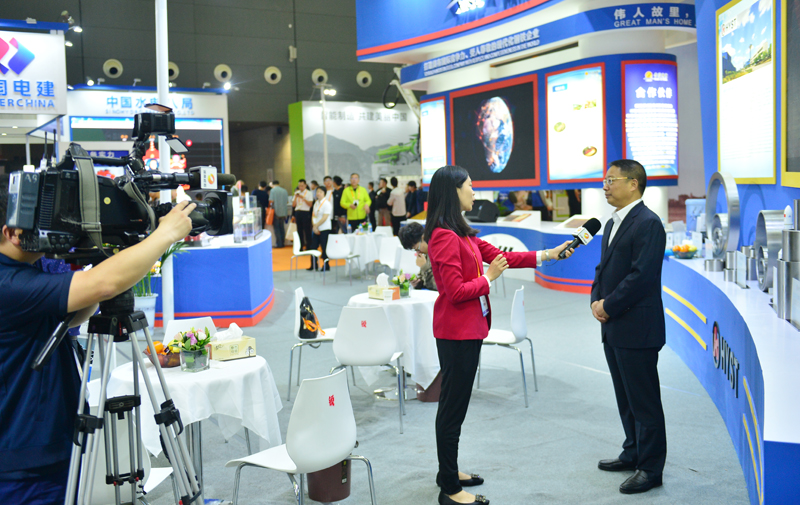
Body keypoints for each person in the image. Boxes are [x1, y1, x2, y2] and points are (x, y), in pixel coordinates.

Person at [0, 173, 195, 504]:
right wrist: (165, 234)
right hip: (25, 463)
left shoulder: (23, 272)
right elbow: (102, 285)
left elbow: (75, 310)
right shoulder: (9, 284)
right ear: (11, 233)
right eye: (40, 224)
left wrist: (102, 260)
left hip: (42, 443)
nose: (51, 233)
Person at [424, 166, 573, 505]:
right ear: (453, 192)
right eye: (470, 186)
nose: (474, 192)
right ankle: (449, 489)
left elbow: (503, 257)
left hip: (468, 330)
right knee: (452, 409)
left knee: (456, 407)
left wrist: (548, 254)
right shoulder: (444, 236)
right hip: (456, 334)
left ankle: (448, 471)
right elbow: (455, 291)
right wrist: (488, 278)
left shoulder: (461, 233)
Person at [591, 159, 667, 495]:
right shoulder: (612, 222)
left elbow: (641, 277)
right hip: (614, 327)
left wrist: (607, 305)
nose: (605, 186)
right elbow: (603, 268)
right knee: (625, 397)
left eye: (611, 180)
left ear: (633, 183)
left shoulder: (648, 223)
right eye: (605, 181)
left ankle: (650, 469)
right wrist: (595, 299)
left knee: (644, 401)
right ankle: (633, 451)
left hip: (638, 327)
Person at [398, 222, 436, 291]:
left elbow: (440, 285)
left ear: (423, 238)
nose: (418, 252)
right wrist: (418, 282)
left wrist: (424, 267)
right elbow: (427, 282)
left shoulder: (438, 252)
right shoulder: (426, 253)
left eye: (417, 248)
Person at [311, 186, 333, 271]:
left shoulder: (327, 204)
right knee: (313, 246)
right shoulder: (316, 203)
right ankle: (314, 264)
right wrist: (314, 226)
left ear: (324, 193)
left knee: (324, 247)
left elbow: (325, 217)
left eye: (320, 192)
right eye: (317, 192)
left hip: (324, 228)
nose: (318, 194)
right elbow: (313, 215)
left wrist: (316, 225)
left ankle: (326, 265)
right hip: (316, 228)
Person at [292, 179, 314, 250]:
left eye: (302, 186)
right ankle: (300, 246)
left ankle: (309, 246)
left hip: (305, 212)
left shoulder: (309, 193)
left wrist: (303, 198)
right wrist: (295, 197)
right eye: (299, 186)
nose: (300, 187)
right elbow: (293, 205)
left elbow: (310, 204)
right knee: (299, 230)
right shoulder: (297, 193)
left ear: (305, 185)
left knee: (307, 230)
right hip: (298, 212)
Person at [269, 180, 289, 248]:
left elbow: (271, 201)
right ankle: (283, 242)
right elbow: (287, 201)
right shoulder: (284, 190)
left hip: (276, 212)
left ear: (273, 184)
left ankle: (279, 244)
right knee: (282, 228)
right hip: (283, 212)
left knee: (277, 228)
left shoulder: (273, 191)